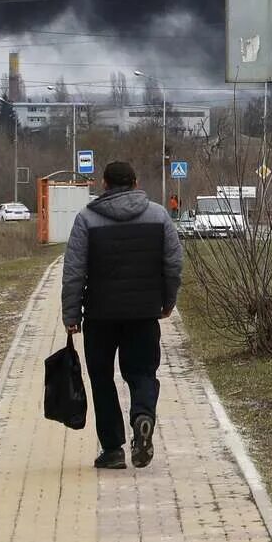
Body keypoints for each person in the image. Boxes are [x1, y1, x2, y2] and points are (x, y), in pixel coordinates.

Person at [62, 160, 183, 470]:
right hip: (143, 314)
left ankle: (113, 449)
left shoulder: (86, 219)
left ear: (104, 184)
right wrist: (167, 302)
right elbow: (173, 265)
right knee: (142, 373)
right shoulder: (158, 216)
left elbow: (74, 271)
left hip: (100, 316)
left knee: (102, 379)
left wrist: (71, 314)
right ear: (135, 181)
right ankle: (142, 416)